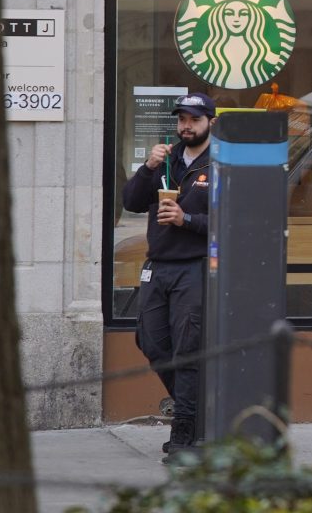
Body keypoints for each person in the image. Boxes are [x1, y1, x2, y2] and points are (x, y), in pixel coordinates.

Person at [121, 92, 216, 458]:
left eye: (194, 119)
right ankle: (202, 411)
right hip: (157, 266)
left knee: (187, 349)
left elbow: (229, 221)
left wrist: (185, 219)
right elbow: (131, 201)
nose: (186, 126)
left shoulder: (219, 164)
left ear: (210, 122)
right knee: (151, 342)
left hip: (193, 266)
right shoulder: (167, 160)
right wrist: (147, 167)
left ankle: (184, 434)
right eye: (182, 119)